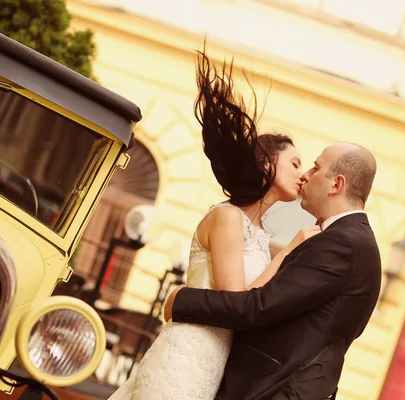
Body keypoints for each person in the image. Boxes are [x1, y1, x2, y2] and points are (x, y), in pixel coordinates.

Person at [107, 49, 320, 400]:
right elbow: (237, 300)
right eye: (295, 163)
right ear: (266, 165)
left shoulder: (258, 234)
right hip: (184, 359)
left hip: (212, 367)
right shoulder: (226, 217)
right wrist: (291, 249)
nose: (302, 175)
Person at [164, 142, 382, 400]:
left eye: (315, 168)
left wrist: (181, 300)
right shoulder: (349, 240)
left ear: (336, 185)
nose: (305, 175)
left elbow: (260, 307)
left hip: (278, 390)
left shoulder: (343, 243)